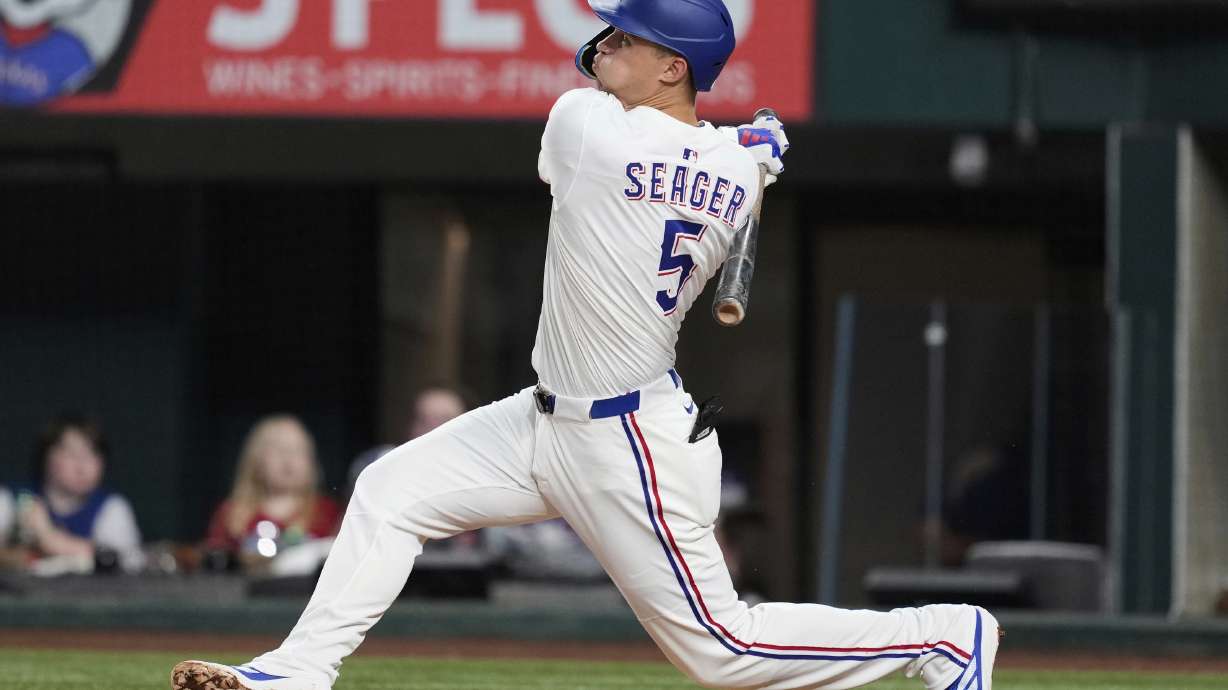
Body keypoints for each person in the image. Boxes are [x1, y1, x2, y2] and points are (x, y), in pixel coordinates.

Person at [172, 2, 999, 689]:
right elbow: (699, 150)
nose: (603, 43)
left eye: (628, 36)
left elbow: (617, 119)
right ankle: (298, 672)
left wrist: (741, 145)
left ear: (674, 66)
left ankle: (945, 637)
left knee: (724, 650)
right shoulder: (733, 169)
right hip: (544, 420)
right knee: (390, 490)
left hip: (628, 440)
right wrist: (750, 151)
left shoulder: (584, 128)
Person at [204, 415, 341, 573]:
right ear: (256, 460)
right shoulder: (231, 514)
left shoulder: (327, 512)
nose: (288, 460)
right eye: (278, 450)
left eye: (298, 450)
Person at [14, 414, 143, 573]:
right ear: (47, 457)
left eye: (92, 455)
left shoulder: (111, 507)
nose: (82, 467)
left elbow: (128, 560)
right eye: (71, 454)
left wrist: (49, 538)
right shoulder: (15, 499)